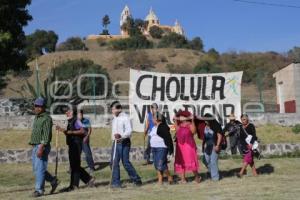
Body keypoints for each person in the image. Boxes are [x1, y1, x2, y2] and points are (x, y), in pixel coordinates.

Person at [56, 106, 94, 191]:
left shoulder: (76, 120)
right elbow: (68, 133)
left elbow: (83, 131)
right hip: (72, 144)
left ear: (72, 111)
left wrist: (71, 132)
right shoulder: (69, 121)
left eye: (67, 111)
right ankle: (87, 179)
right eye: (64, 111)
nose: (65, 112)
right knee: (74, 165)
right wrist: (62, 130)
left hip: (76, 145)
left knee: (75, 165)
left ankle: (74, 186)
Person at [29, 98, 59, 197]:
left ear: (43, 107)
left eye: (39, 106)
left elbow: (46, 135)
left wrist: (41, 147)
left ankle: (39, 190)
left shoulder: (46, 118)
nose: (37, 108)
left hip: (42, 145)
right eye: (36, 106)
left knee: (40, 168)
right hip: (35, 145)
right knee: (37, 168)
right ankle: (53, 180)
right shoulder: (37, 117)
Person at [110, 101, 142, 188]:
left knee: (125, 162)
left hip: (124, 142)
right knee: (113, 162)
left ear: (119, 109)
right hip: (115, 143)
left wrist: (121, 136)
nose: (112, 111)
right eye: (112, 109)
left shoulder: (125, 118)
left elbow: (129, 131)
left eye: (113, 109)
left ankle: (136, 179)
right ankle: (116, 183)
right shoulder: (114, 118)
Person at [173, 110, 200, 184]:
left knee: (191, 160)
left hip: (189, 146)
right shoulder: (180, 125)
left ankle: (197, 177)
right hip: (180, 146)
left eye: (182, 116)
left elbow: (194, 132)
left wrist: (192, 120)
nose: (180, 117)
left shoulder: (190, 124)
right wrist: (176, 119)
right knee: (181, 161)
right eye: (180, 116)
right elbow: (176, 130)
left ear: (185, 117)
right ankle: (183, 179)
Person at [149, 112, 174, 185]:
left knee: (161, 164)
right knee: (157, 165)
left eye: (153, 118)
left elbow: (168, 138)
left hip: (162, 148)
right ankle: (160, 180)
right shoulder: (153, 128)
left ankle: (169, 176)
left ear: (157, 119)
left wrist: (170, 149)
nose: (152, 120)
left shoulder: (163, 127)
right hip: (154, 148)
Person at [202, 113, 223, 181]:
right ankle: (213, 173)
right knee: (206, 161)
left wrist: (217, 145)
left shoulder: (216, 125)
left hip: (214, 146)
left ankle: (215, 178)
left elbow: (219, 136)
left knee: (213, 162)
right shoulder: (205, 126)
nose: (205, 121)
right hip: (207, 147)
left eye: (206, 120)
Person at [237, 114, 258, 178]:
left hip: (251, 145)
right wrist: (242, 145)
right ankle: (255, 173)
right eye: (242, 119)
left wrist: (251, 144)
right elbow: (241, 137)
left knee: (247, 159)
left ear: (247, 119)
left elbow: (254, 135)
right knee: (250, 160)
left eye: (245, 119)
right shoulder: (240, 127)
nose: (243, 121)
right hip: (244, 146)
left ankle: (241, 173)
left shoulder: (251, 126)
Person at [78, 110, 95, 174]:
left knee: (88, 153)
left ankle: (91, 167)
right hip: (77, 141)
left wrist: (87, 137)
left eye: (81, 115)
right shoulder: (75, 121)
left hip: (84, 140)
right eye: (79, 115)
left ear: (82, 114)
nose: (80, 116)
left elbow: (89, 130)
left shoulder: (86, 121)